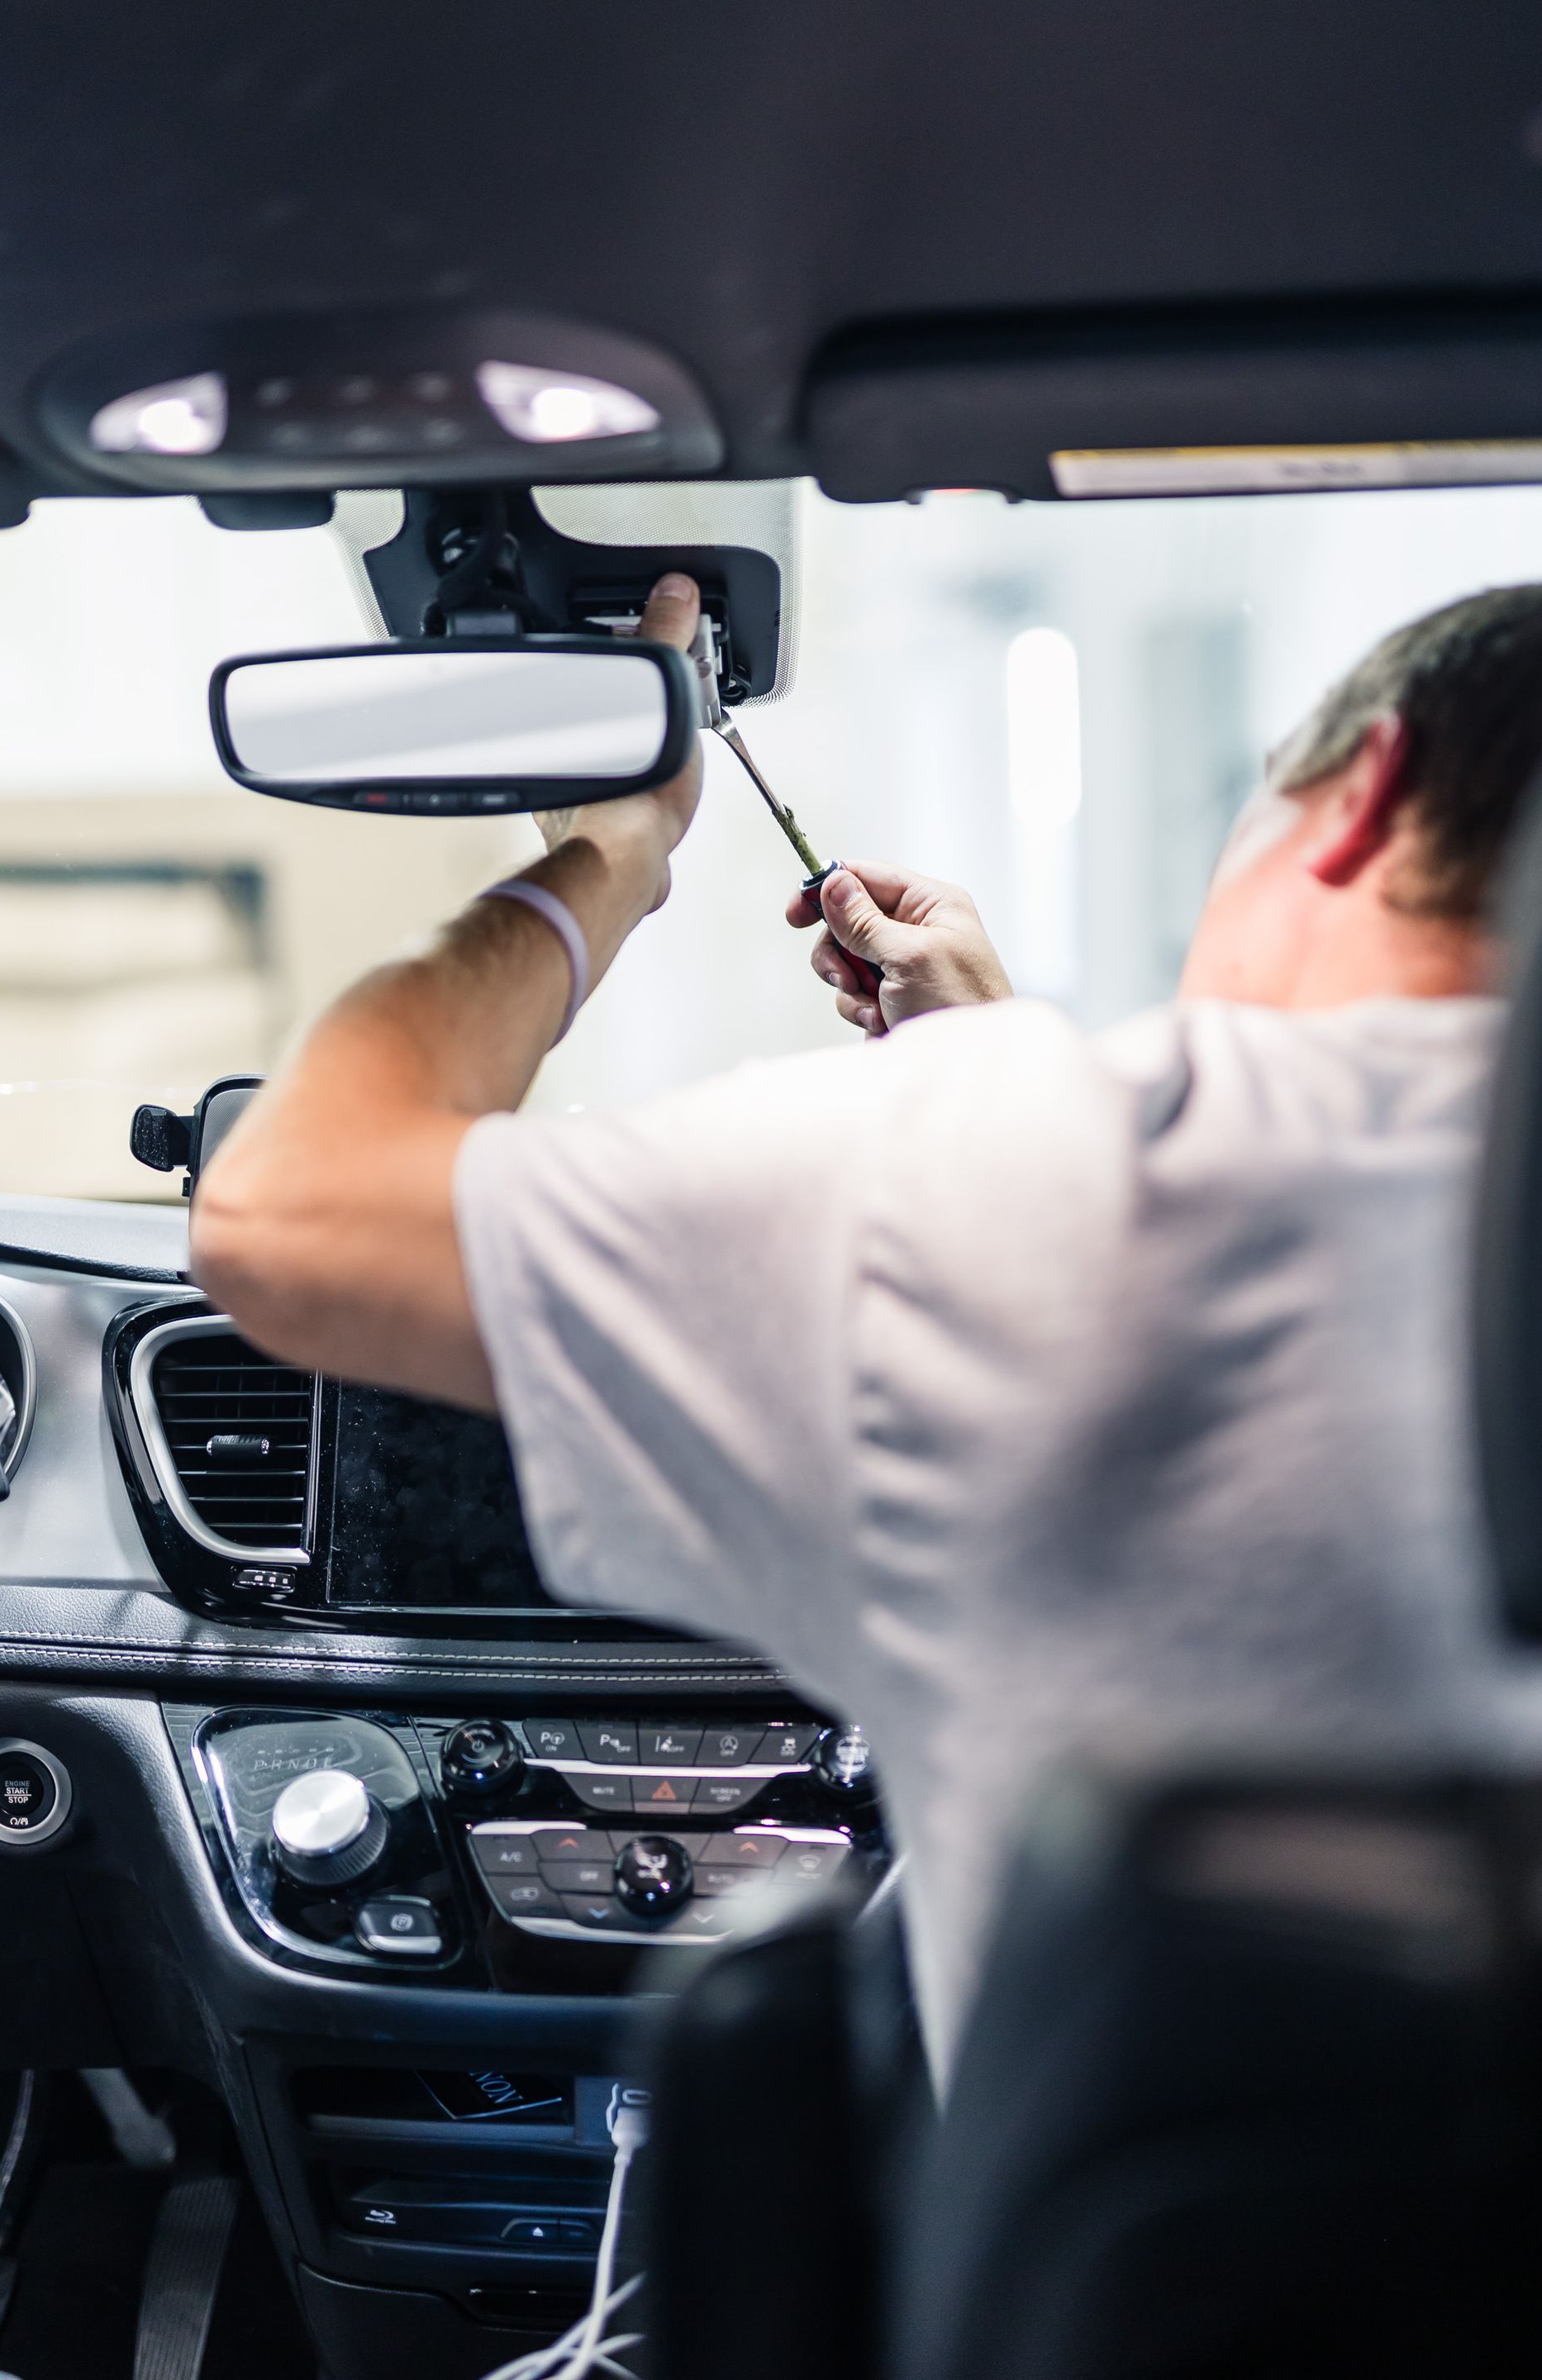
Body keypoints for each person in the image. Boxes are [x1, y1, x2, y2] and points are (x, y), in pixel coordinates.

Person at [190, 572, 1542, 2082]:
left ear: (1363, 800)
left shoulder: (1011, 1171)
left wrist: (608, 862)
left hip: (1163, 2313)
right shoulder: (1035, 1138)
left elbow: (286, 1215)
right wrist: (997, 1053)